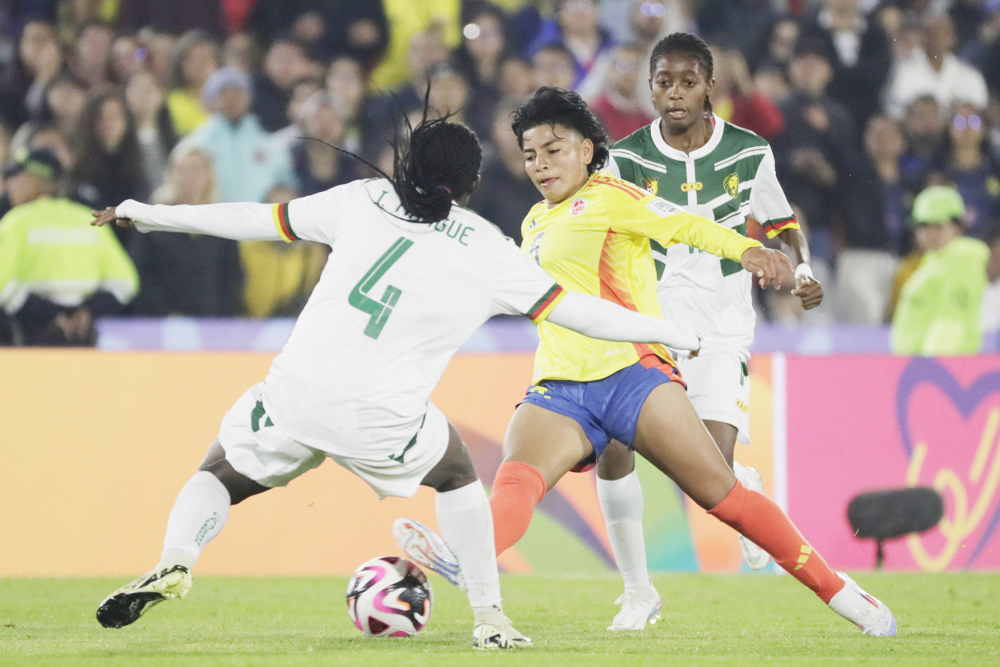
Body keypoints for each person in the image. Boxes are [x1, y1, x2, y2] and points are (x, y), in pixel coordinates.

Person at [90, 110, 712, 649]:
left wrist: (144, 212)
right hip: (380, 418)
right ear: (472, 183)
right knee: (458, 472)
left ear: (406, 162)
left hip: (294, 394)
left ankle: (175, 560)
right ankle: (489, 617)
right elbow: (576, 308)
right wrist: (672, 333)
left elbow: (250, 218)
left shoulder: (357, 199)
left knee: (217, 473)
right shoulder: (485, 248)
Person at [396, 86, 896, 639]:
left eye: (554, 150)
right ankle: (466, 556)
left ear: (587, 150)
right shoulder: (535, 222)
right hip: (561, 385)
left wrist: (746, 249)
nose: (540, 165)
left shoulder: (612, 196)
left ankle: (842, 592)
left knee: (725, 498)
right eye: (531, 154)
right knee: (517, 481)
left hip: (632, 377)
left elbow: (685, 225)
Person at [599, 31, 822, 626]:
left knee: (709, 479)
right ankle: (637, 591)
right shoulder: (625, 158)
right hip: (649, 320)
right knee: (615, 448)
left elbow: (781, 222)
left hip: (723, 323)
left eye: (687, 82)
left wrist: (801, 268)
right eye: (663, 83)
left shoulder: (750, 152)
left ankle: (737, 479)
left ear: (710, 88)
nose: (674, 94)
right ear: (650, 87)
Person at [0, 148, 138, 346]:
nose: (8, 185)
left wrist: (50, 314)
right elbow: (126, 283)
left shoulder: (15, 222)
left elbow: (2, 287)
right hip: (83, 336)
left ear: (37, 180)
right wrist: (87, 311)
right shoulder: (88, 219)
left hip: (32, 337)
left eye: (16, 177)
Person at [891, 185, 990, 355]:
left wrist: (933, 370)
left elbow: (951, 324)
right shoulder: (935, 262)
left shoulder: (962, 264)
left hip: (937, 370)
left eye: (937, 225)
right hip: (919, 368)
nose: (929, 233)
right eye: (923, 225)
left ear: (957, 226)